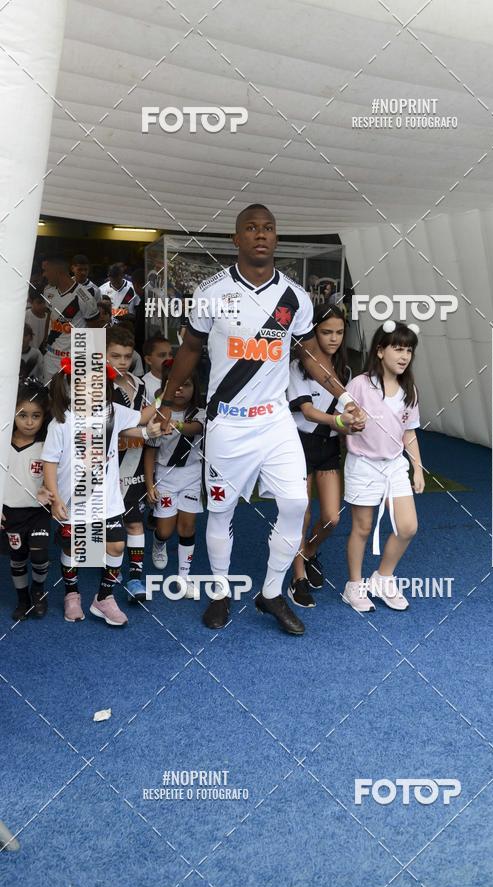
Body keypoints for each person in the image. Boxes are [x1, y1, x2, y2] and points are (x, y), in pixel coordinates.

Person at [159, 203, 366, 635]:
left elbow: (310, 354)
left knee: (294, 504)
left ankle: (271, 592)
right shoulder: (211, 291)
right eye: (250, 228)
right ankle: (219, 592)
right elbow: (191, 350)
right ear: (236, 239)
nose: (260, 234)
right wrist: (165, 401)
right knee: (220, 511)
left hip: (274, 421)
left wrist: (344, 396)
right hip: (228, 423)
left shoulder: (294, 296)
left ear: (276, 238)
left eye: (268, 228)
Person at [41, 357, 164, 625]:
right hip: (72, 500)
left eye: (98, 382)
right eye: (84, 382)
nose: (92, 387)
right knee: (75, 549)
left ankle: (104, 597)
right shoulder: (60, 422)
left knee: (117, 545)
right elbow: (49, 461)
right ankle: (71, 594)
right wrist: (55, 497)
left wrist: (162, 399)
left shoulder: (112, 411)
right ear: (70, 385)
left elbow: (141, 419)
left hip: (107, 500)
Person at [339, 321, 425, 612]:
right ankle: (354, 586)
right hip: (363, 464)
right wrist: (350, 422)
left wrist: (418, 468)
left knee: (408, 527)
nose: (404, 356)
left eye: (409, 350)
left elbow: (409, 433)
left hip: (393, 467)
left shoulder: (409, 390)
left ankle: (383, 577)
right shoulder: (360, 384)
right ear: (379, 351)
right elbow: (341, 422)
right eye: (397, 348)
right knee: (362, 528)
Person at [287, 303, 352, 607]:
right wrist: (340, 422)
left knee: (332, 518)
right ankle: (298, 577)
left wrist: (354, 425)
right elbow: (308, 411)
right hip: (298, 445)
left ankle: (308, 552)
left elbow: (347, 412)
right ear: (313, 331)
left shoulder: (348, 369)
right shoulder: (297, 366)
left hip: (328, 448)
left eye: (339, 332)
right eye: (326, 332)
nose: (333, 338)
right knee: (303, 513)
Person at [144, 361, 204, 599]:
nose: (179, 390)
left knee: (187, 526)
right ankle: (158, 543)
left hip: (191, 475)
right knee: (166, 530)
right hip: (165, 477)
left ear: (194, 387)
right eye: (174, 385)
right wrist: (150, 484)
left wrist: (176, 424)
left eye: (185, 385)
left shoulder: (200, 412)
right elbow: (150, 450)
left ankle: (184, 577)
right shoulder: (157, 415)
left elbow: (195, 428)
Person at [106, 326, 156, 602]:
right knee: (110, 524)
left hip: (135, 460)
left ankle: (136, 576)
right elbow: (113, 427)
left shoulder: (141, 384)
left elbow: (146, 418)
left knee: (135, 523)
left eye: (127, 356)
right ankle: (111, 569)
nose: (122, 362)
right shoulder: (98, 387)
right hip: (109, 464)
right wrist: (148, 429)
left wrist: (157, 426)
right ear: (102, 355)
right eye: (115, 356)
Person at [2, 382, 52, 621]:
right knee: (18, 557)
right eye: (23, 415)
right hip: (11, 513)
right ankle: (22, 599)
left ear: (44, 417)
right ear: (12, 413)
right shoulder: (2, 444)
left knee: (40, 555)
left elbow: (58, 476)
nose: (29, 422)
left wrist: (49, 489)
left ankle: (38, 590)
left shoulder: (47, 446)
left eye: (36, 416)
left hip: (38, 511)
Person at [41, 256, 101, 381]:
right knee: (50, 397)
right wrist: (45, 340)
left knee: (71, 398)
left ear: (57, 272)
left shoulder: (85, 297)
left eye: (46, 270)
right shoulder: (48, 291)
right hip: (50, 357)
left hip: (74, 360)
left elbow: (96, 331)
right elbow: (49, 316)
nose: (44, 275)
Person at [142, 333, 173, 403]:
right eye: (162, 355)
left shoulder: (179, 378)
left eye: (170, 354)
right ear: (148, 360)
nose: (168, 358)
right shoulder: (144, 385)